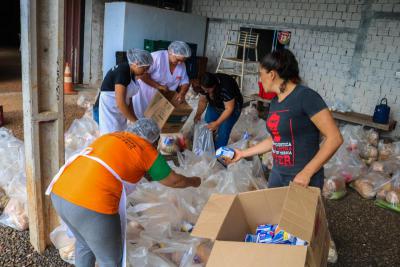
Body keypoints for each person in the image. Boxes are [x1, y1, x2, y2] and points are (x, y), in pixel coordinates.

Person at [46, 118, 201, 267]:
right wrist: (194, 181)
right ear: (154, 140)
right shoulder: (145, 149)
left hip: (60, 193)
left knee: (84, 244)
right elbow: (174, 181)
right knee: (110, 260)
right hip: (91, 205)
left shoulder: (112, 136)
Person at [228, 49, 343, 189]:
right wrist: (242, 153)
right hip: (278, 174)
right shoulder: (276, 101)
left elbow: (335, 138)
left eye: (260, 74)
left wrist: (307, 173)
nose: (259, 79)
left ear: (271, 75)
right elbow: (276, 139)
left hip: (302, 179)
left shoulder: (306, 97)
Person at [93, 49, 153, 135]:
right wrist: (136, 122)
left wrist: (136, 120)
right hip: (108, 111)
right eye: (145, 68)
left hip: (117, 111)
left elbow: (129, 100)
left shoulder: (131, 74)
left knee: (120, 136)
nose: (146, 71)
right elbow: (121, 102)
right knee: (110, 138)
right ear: (136, 63)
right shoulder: (122, 72)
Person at [132, 41, 191, 118]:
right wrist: (158, 86)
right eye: (178, 59)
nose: (180, 63)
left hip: (161, 99)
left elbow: (185, 81)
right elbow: (141, 75)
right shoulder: (157, 57)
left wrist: (182, 93)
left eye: (183, 60)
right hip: (143, 96)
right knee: (140, 120)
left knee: (156, 121)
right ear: (170, 52)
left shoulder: (181, 65)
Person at [193, 72, 243, 149]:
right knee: (207, 126)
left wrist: (217, 123)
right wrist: (198, 114)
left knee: (223, 133)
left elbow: (229, 108)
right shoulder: (204, 85)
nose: (206, 92)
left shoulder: (226, 87)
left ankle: (217, 155)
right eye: (204, 89)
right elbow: (203, 101)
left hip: (231, 108)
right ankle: (204, 150)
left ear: (214, 86)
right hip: (215, 104)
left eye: (208, 90)